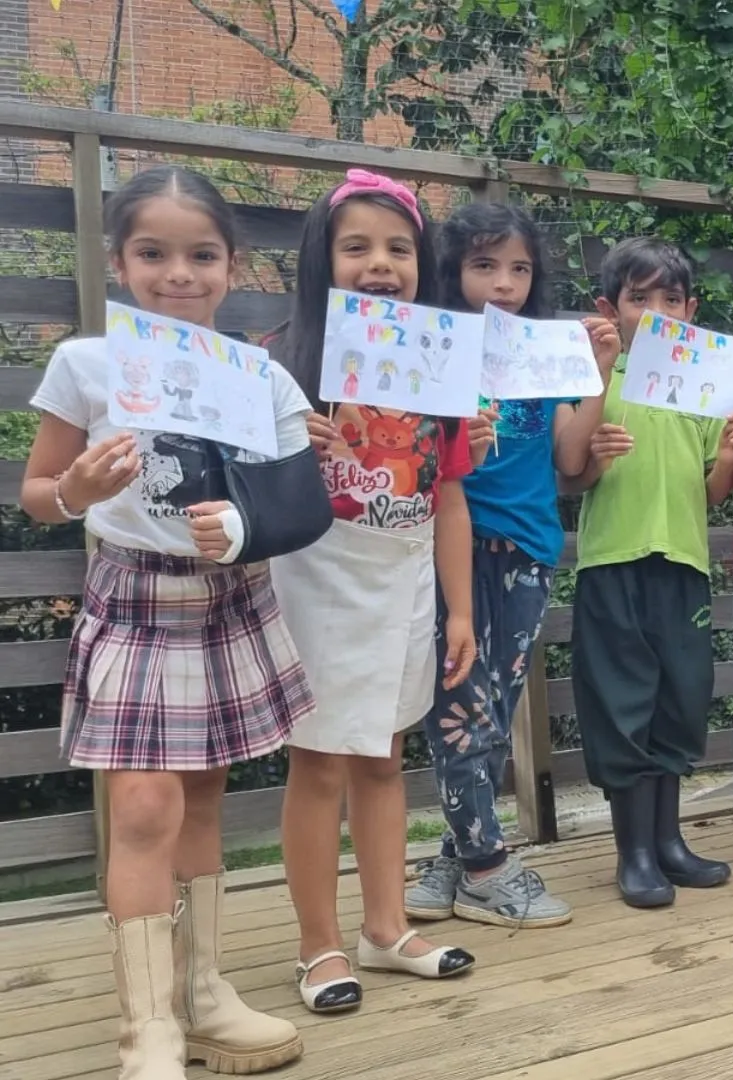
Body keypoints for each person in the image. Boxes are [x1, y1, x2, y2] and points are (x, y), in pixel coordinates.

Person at [22, 166, 312, 1080]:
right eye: (153, 253)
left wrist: (260, 509)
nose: (178, 273)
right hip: (135, 596)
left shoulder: (257, 373)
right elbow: (37, 495)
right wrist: (79, 489)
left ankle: (203, 991)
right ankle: (145, 1029)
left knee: (205, 794)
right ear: (119, 262)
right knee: (144, 802)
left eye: (201, 254)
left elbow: (297, 495)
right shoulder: (86, 362)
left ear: (232, 265)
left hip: (227, 599)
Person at [270, 169, 478, 1013]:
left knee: (387, 756)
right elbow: (240, 484)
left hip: (405, 581)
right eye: (356, 247)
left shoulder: (437, 370)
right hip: (318, 579)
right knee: (319, 764)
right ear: (324, 260)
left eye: (399, 248)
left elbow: (452, 494)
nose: (380, 264)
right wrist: (288, 438)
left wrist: (462, 607)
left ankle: (385, 927)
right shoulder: (284, 361)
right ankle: (318, 945)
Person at [402, 201, 606, 929]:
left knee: (496, 705)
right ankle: (487, 863)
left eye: (519, 268)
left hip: (529, 547)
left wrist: (600, 367)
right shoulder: (429, 349)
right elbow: (415, 460)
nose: (504, 282)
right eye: (485, 265)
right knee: (461, 708)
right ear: (452, 271)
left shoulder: (542, 354)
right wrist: (463, 439)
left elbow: (569, 455)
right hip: (454, 547)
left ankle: (456, 860)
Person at [556, 238, 733, 907]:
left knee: (680, 696)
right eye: (638, 299)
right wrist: (598, 452)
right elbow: (571, 472)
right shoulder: (596, 378)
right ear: (608, 309)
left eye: (669, 299)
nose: (655, 312)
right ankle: (634, 851)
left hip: (683, 564)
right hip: (612, 565)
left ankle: (669, 841)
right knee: (621, 704)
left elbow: (711, 491)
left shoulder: (702, 390)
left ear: (691, 309)